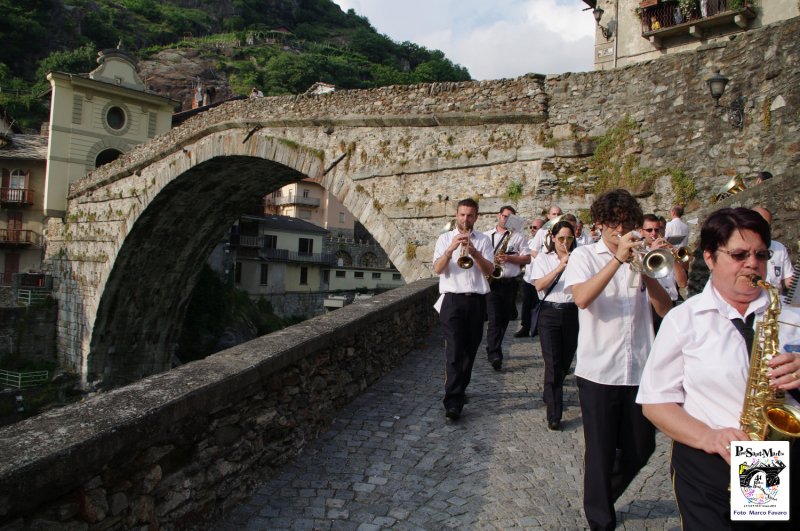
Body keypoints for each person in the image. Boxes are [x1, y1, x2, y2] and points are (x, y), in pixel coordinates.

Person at [637, 207, 800, 530]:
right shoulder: (684, 320)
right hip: (708, 463)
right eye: (739, 255)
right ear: (710, 258)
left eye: (761, 255)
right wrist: (709, 437)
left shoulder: (791, 319)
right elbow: (655, 403)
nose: (753, 264)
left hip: (771, 460)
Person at [563, 188, 672, 531]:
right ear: (599, 225)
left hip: (640, 368)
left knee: (641, 448)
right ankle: (600, 519)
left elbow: (665, 308)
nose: (620, 229)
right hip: (598, 370)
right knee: (600, 451)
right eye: (612, 223)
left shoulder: (645, 257)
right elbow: (581, 298)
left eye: (626, 223)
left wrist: (646, 270)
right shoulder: (586, 257)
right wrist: (617, 260)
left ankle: (599, 496)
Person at [433, 198, 495, 421]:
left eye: (470, 215)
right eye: (462, 215)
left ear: (476, 217)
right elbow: (438, 269)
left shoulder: (484, 240)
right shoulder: (444, 239)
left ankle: (460, 388)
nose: (465, 219)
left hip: (476, 301)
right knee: (454, 351)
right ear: (456, 215)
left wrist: (475, 252)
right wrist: (451, 249)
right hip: (452, 301)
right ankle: (452, 401)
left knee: (470, 351)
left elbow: (489, 271)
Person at [528, 220, 578, 431]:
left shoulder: (580, 258)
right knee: (553, 362)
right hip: (549, 312)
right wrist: (560, 266)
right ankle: (554, 414)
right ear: (553, 238)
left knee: (565, 362)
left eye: (569, 238)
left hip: (572, 312)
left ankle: (550, 392)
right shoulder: (543, 259)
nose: (564, 242)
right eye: (561, 239)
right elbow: (539, 285)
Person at [484, 206, 530, 371]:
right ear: (498, 216)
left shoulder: (518, 237)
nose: (506, 219)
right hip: (493, 282)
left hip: (510, 283)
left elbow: (527, 258)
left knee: (504, 320)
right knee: (494, 319)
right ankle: (495, 354)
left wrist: (509, 258)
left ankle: (493, 347)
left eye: (510, 217)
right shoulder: (487, 236)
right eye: (504, 216)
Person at [641, 214, 688, 333]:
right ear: (641, 232)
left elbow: (682, 283)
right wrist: (652, 252)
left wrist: (673, 257)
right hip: (652, 308)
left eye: (657, 229)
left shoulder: (667, 251)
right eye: (649, 230)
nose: (653, 233)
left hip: (672, 304)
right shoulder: (639, 255)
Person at [515, 217, 545, 338]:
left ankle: (538, 327)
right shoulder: (528, 242)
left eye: (535, 227)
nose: (532, 229)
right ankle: (525, 327)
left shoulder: (546, 243)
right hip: (529, 277)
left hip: (541, 278)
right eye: (531, 227)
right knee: (527, 304)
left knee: (540, 305)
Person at [752, 207, 794, 292]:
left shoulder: (779, 248)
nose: (763, 229)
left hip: (777, 300)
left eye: (766, 225)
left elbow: (789, 279)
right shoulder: (739, 248)